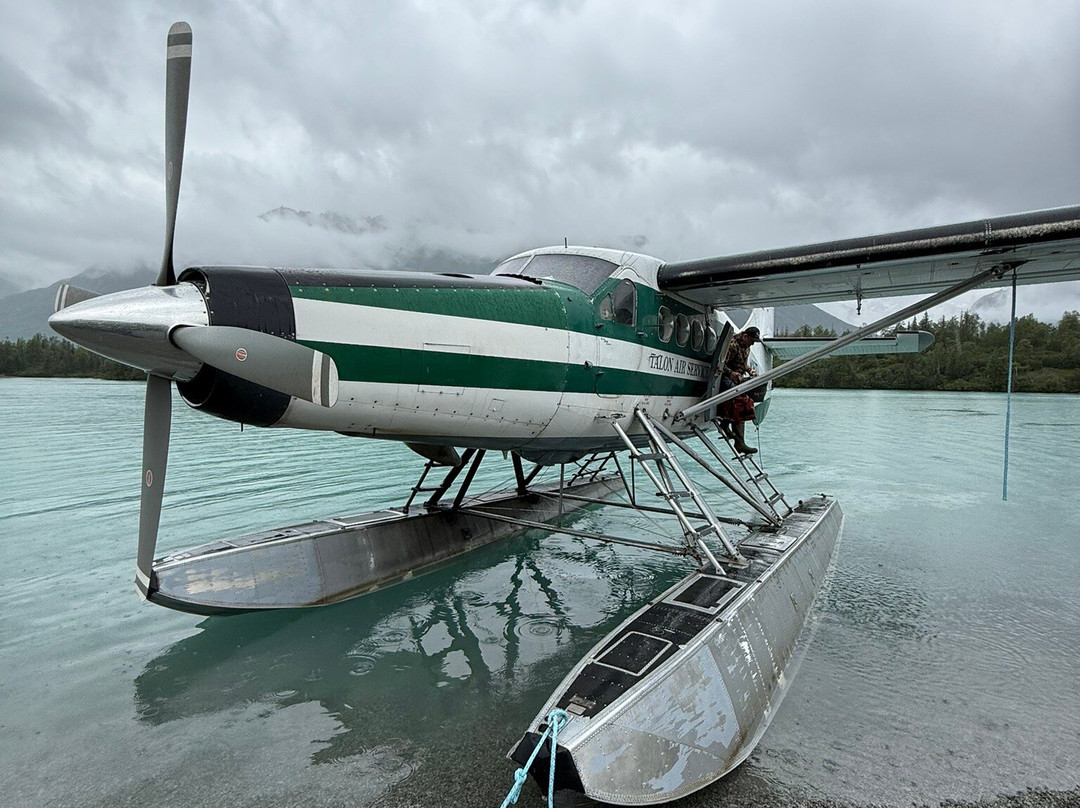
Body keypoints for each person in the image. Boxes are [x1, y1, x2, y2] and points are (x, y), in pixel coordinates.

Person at [719, 326, 761, 455]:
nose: (753, 343)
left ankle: (728, 426)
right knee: (740, 404)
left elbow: (742, 363)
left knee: (746, 401)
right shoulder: (732, 345)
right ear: (745, 336)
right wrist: (731, 374)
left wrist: (749, 370)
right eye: (752, 340)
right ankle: (738, 441)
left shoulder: (746, 347)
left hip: (738, 378)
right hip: (724, 377)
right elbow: (721, 364)